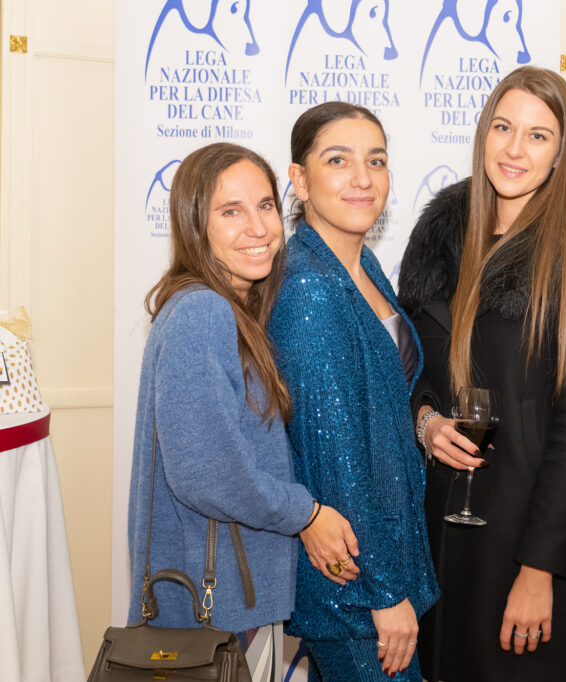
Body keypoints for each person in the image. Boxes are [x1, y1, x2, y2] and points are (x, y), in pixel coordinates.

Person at [397, 66, 566, 682]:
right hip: (444, 527)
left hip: (532, 537)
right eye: (503, 127)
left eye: (538, 135)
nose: (515, 149)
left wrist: (539, 569)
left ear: (562, 154)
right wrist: (425, 421)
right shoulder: (441, 241)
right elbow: (414, 368)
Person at [127, 142, 354, 682]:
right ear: (194, 225)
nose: (258, 227)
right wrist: (308, 514)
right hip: (215, 609)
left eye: (266, 206)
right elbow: (207, 472)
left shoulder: (229, 309)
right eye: (231, 212)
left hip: (230, 598)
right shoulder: (203, 312)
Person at [268, 102, 439, 681]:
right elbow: (336, 460)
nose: (362, 177)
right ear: (299, 179)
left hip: (382, 561)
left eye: (377, 160)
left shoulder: (361, 262)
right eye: (338, 160)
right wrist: (384, 593)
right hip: (355, 592)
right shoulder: (310, 289)